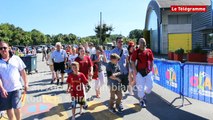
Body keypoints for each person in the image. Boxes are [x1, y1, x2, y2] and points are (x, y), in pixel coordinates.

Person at [0, 41, 28, 120]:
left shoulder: (16, 58)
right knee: (8, 108)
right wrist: (2, 88)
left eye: (4, 48)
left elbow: (23, 72)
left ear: (9, 48)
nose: (3, 50)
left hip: (16, 88)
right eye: (0, 48)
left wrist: (26, 83)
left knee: (17, 107)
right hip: (5, 90)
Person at [131, 38, 154, 108]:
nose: (142, 44)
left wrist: (150, 69)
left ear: (145, 43)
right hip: (139, 73)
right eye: (141, 42)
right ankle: (142, 100)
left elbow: (152, 60)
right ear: (138, 43)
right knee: (140, 88)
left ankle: (144, 94)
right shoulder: (136, 52)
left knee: (150, 86)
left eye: (143, 42)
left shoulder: (149, 51)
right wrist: (135, 71)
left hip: (148, 72)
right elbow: (132, 61)